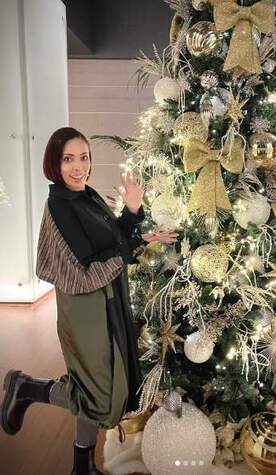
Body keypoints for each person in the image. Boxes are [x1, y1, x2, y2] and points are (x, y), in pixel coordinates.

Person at [0, 127, 177, 474]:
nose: (78, 167)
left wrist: (132, 213)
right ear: (54, 163)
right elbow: (89, 265)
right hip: (86, 308)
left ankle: (82, 465)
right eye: (68, 159)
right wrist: (134, 244)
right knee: (99, 395)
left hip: (106, 297)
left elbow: (112, 242)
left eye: (84, 157)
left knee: (95, 383)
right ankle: (29, 388)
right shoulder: (60, 205)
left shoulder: (86, 195)